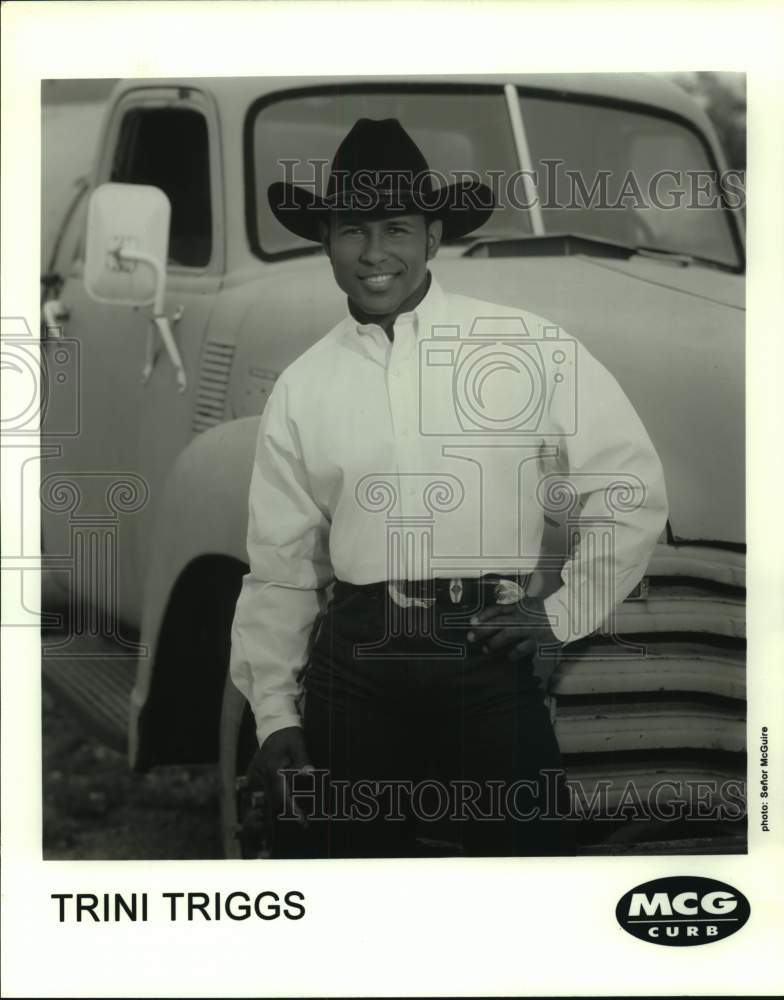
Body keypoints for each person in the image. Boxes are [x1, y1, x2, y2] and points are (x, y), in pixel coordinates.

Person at [230, 118, 668, 858]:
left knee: (528, 874)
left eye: (396, 229)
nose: (374, 253)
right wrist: (275, 714)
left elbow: (629, 483)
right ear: (326, 241)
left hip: (484, 653)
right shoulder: (302, 387)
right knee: (343, 881)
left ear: (433, 237)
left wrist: (561, 614)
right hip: (355, 666)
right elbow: (281, 567)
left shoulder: (523, 345)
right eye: (351, 230)